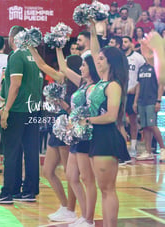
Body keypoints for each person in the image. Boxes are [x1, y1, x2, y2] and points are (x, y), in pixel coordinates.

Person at [0, 25, 43, 204]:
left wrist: (6, 110)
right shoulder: (34, 57)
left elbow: (15, 84)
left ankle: (8, 192)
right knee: (31, 151)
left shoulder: (17, 55)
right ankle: (28, 191)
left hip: (18, 110)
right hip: (34, 110)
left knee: (11, 151)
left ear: (12, 38)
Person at [27, 46, 80, 223]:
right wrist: (31, 47)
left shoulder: (80, 86)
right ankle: (64, 206)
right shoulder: (61, 79)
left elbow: (76, 111)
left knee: (69, 172)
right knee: (48, 171)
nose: (61, 69)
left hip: (68, 126)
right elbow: (41, 64)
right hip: (56, 124)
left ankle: (71, 210)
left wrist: (62, 104)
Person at [87, 20, 130, 227]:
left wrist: (86, 120)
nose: (98, 61)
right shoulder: (101, 82)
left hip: (106, 137)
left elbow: (111, 116)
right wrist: (92, 30)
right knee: (103, 188)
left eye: (102, 59)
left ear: (110, 62)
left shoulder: (113, 85)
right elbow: (95, 52)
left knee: (107, 189)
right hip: (97, 137)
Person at [57, 48, 100, 227]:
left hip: (86, 135)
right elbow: (64, 68)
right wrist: (58, 47)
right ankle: (83, 215)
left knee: (87, 178)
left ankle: (89, 219)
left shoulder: (96, 87)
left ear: (92, 67)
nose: (81, 68)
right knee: (71, 176)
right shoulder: (82, 83)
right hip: (75, 134)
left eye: (83, 65)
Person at [133, 41, 165, 161]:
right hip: (142, 101)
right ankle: (148, 151)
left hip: (152, 101)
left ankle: (162, 148)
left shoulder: (157, 67)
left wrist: (158, 101)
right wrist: (135, 101)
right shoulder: (141, 68)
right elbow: (139, 85)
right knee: (145, 126)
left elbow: (161, 85)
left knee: (152, 124)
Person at [121, 36, 145, 158]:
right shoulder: (120, 57)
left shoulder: (138, 58)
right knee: (120, 121)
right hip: (120, 93)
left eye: (126, 42)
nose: (124, 44)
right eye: (122, 42)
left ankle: (133, 147)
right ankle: (122, 147)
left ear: (131, 43)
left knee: (133, 121)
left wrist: (136, 90)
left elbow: (142, 77)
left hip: (132, 94)